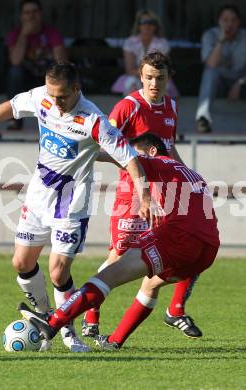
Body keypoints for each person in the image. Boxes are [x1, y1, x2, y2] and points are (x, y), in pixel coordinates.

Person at [0, 61, 150, 353]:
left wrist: (144, 195)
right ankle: (45, 313)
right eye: (52, 94)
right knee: (21, 263)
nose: (56, 102)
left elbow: (130, 158)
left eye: (62, 96)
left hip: (71, 203)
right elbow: (12, 106)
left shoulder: (94, 120)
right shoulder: (42, 96)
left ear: (76, 89)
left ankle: (68, 332)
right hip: (38, 195)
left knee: (58, 272)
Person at [18, 133, 220, 350]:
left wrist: (79, 152)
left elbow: (120, 157)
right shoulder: (193, 174)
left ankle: (52, 323)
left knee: (108, 275)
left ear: (152, 151)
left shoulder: (157, 162)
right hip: (208, 250)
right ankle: (114, 342)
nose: (130, 166)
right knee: (150, 285)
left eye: (137, 154)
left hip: (179, 238)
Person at [82, 51, 203, 340]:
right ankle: (90, 317)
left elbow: (168, 148)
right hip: (134, 194)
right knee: (119, 256)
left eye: (160, 78)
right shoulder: (129, 107)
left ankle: (175, 309)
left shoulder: (171, 106)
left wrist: (188, 176)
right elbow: (101, 145)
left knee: (192, 246)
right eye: (148, 77)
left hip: (167, 193)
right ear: (140, 77)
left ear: (168, 78)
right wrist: (132, 164)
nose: (154, 83)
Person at [6, 0, 67, 130]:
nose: (31, 16)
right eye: (27, 13)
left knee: (62, 73)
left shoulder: (51, 32)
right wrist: (24, 35)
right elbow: (15, 60)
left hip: (47, 77)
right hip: (25, 79)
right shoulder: (16, 34)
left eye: (35, 12)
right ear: (22, 16)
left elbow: (61, 61)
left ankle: (62, 120)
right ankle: (14, 120)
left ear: (41, 14)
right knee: (14, 72)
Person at [195, 4, 246, 133]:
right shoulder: (210, 35)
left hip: (241, 81)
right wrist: (221, 41)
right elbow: (211, 64)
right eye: (225, 20)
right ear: (219, 21)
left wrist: (240, 83)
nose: (230, 24)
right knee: (210, 72)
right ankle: (203, 118)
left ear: (239, 22)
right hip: (219, 82)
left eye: (233, 20)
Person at [111, 9, 178, 97]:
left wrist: (150, 78)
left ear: (156, 26)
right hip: (135, 76)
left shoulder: (162, 43)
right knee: (132, 86)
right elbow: (130, 69)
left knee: (161, 89)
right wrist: (146, 77)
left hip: (157, 76)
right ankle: (135, 109)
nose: (147, 25)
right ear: (138, 25)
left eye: (151, 22)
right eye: (144, 22)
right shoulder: (130, 42)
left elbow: (162, 67)